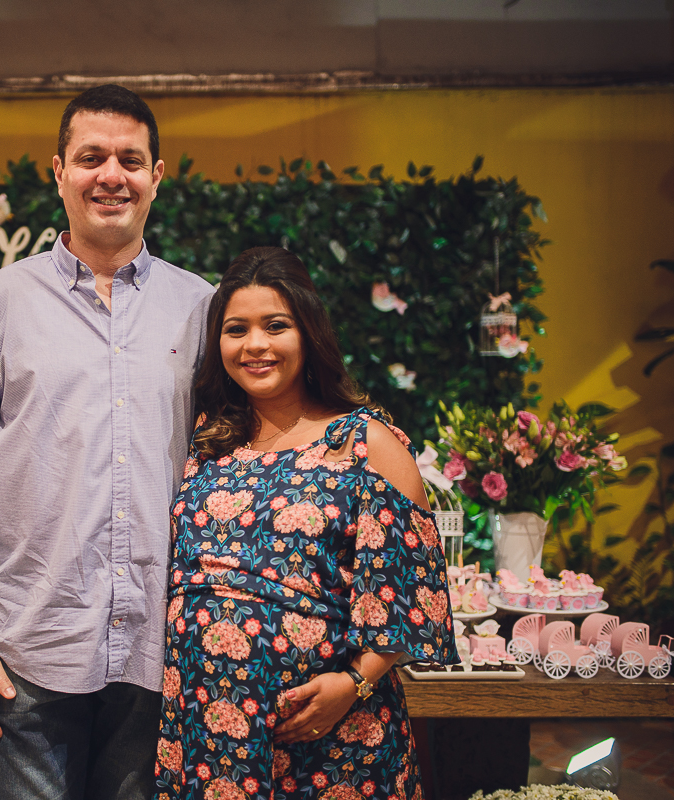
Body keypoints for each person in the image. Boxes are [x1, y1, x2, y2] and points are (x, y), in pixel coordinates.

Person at [0, 84, 214, 799]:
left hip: (162, 642)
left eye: (129, 159)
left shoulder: (203, 308)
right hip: (30, 648)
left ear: (157, 176)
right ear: (58, 171)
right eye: (91, 157)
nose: (110, 174)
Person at [155, 247, 458, 800]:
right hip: (207, 734)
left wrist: (354, 683)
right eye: (235, 329)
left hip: (331, 735)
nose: (255, 346)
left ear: (309, 332)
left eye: (276, 326)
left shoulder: (364, 443)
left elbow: (414, 595)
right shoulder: (207, 443)